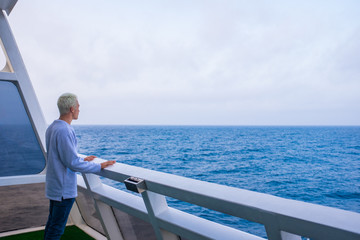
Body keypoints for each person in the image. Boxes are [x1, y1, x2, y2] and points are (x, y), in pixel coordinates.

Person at [44, 93, 115, 240]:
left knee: (52, 224)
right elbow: (72, 163)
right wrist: (99, 166)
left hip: (55, 186)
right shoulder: (65, 130)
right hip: (63, 190)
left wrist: (81, 158)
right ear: (71, 109)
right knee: (56, 229)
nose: (79, 110)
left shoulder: (52, 127)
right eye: (78, 107)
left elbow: (62, 154)